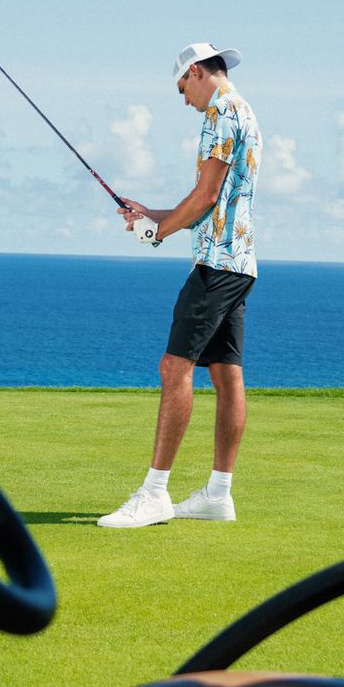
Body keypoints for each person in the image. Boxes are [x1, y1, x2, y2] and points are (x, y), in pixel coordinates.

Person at [98, 41, 262, 528]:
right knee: (226, 373)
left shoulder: (221, 112)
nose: (182, 98)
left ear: (195, 72)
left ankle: (154, 494)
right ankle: (218, 493)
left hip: (216, 265)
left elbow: (206, 194)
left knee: (174, 367)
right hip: (238, 260)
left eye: (181, 87)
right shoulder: (241, 110)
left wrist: (158, 233)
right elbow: (208, 203)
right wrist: (153, 215)